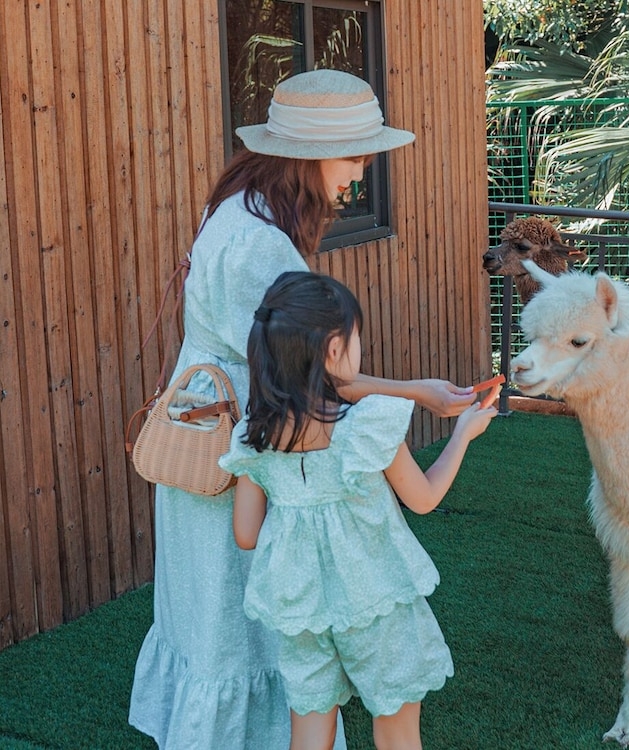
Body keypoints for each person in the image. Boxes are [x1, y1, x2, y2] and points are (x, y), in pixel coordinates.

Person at [129, 69, 476, 749]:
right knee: (238, 619)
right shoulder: (263, 242)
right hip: (246, 423)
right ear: (308, 156)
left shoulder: (240, 206)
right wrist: (420, 393)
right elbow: (317, 378)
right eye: (353, 156)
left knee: (219, 607)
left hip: (225, 428)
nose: (362, 172)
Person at [219, 271, 496, 750]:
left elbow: (246, 534)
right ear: (331, 349)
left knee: (308, 731)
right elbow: (424, 498)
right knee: (396, 727)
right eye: (355, 336)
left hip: (302, 609)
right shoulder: (367, 426)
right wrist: (462, 436)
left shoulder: (255, 436)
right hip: (378, 602)